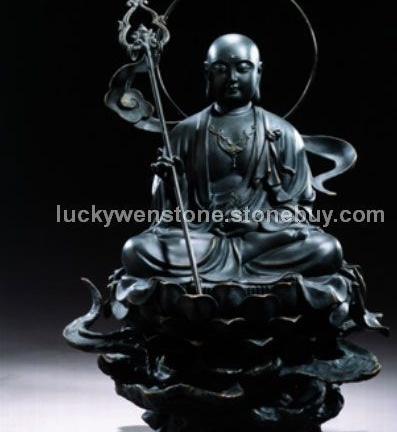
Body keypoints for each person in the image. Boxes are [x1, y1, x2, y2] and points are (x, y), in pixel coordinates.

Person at [121, 33, 350, 290]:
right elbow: (166, 218)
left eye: (242, 69)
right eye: (221, 69)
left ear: (258, 72)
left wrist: (255, 223)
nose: (232, 78)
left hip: (262, 239)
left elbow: (300, 209)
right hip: (203, 240)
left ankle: (237, 263)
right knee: (137, 250)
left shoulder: (284, 134)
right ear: (208, 73)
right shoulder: (184, 134)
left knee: (326, 248)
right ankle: (244, 267)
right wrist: (176, 185)